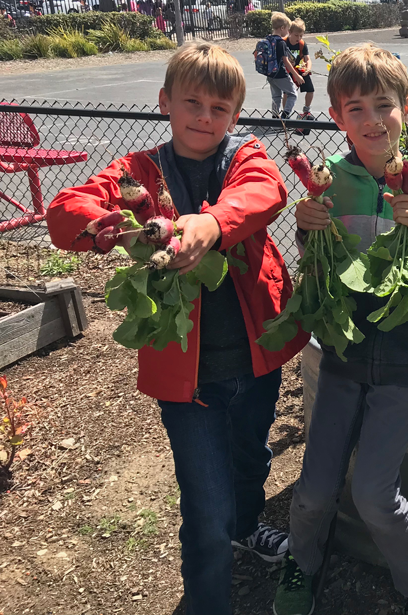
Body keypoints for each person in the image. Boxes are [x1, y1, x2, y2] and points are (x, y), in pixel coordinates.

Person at [46, 42, 310, 615]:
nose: (205, 117)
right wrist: (107, 226)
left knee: (252, 457)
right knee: (204, 508)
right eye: (192, 102)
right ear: (165, 102)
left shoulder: (245, 155)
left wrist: (211, 225)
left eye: (220, 108)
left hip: (255, 356)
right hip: (184, 377)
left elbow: (265, 190)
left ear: (236, 116)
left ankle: (247, 525)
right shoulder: (140, 173)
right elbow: (66, 210)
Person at [273, 43, 408, 615]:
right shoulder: (333, 186)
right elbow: (322, 270)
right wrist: (308, 234)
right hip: (344, 357)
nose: (372, 121)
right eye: (355, 108)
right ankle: (303, 564)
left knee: (374, 496)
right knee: (311, 492)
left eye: (384, 105)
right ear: (337, 117)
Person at [262, 12, 304, 118]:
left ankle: (275, 118)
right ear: (282, 28)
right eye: (287, 29)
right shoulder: (281, 43)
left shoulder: (268, 40)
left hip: (270, 74)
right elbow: (286, 61)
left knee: (276, 96)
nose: (287, 31)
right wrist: (296, 75)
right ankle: (285, 117)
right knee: (293, 94)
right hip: (280, 73)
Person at [285, 17, 317, 133]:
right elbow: (283, 61)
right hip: (288, 71)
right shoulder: (284, 43)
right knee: (287, 93)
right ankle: (285, 115)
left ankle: (306, 110)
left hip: (300, 69)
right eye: (296, 35)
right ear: (289, 32)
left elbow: (307, 59)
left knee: (310, 89)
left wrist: (308, 69)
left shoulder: (302, 44)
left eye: (301, 36)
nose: (298, 38)